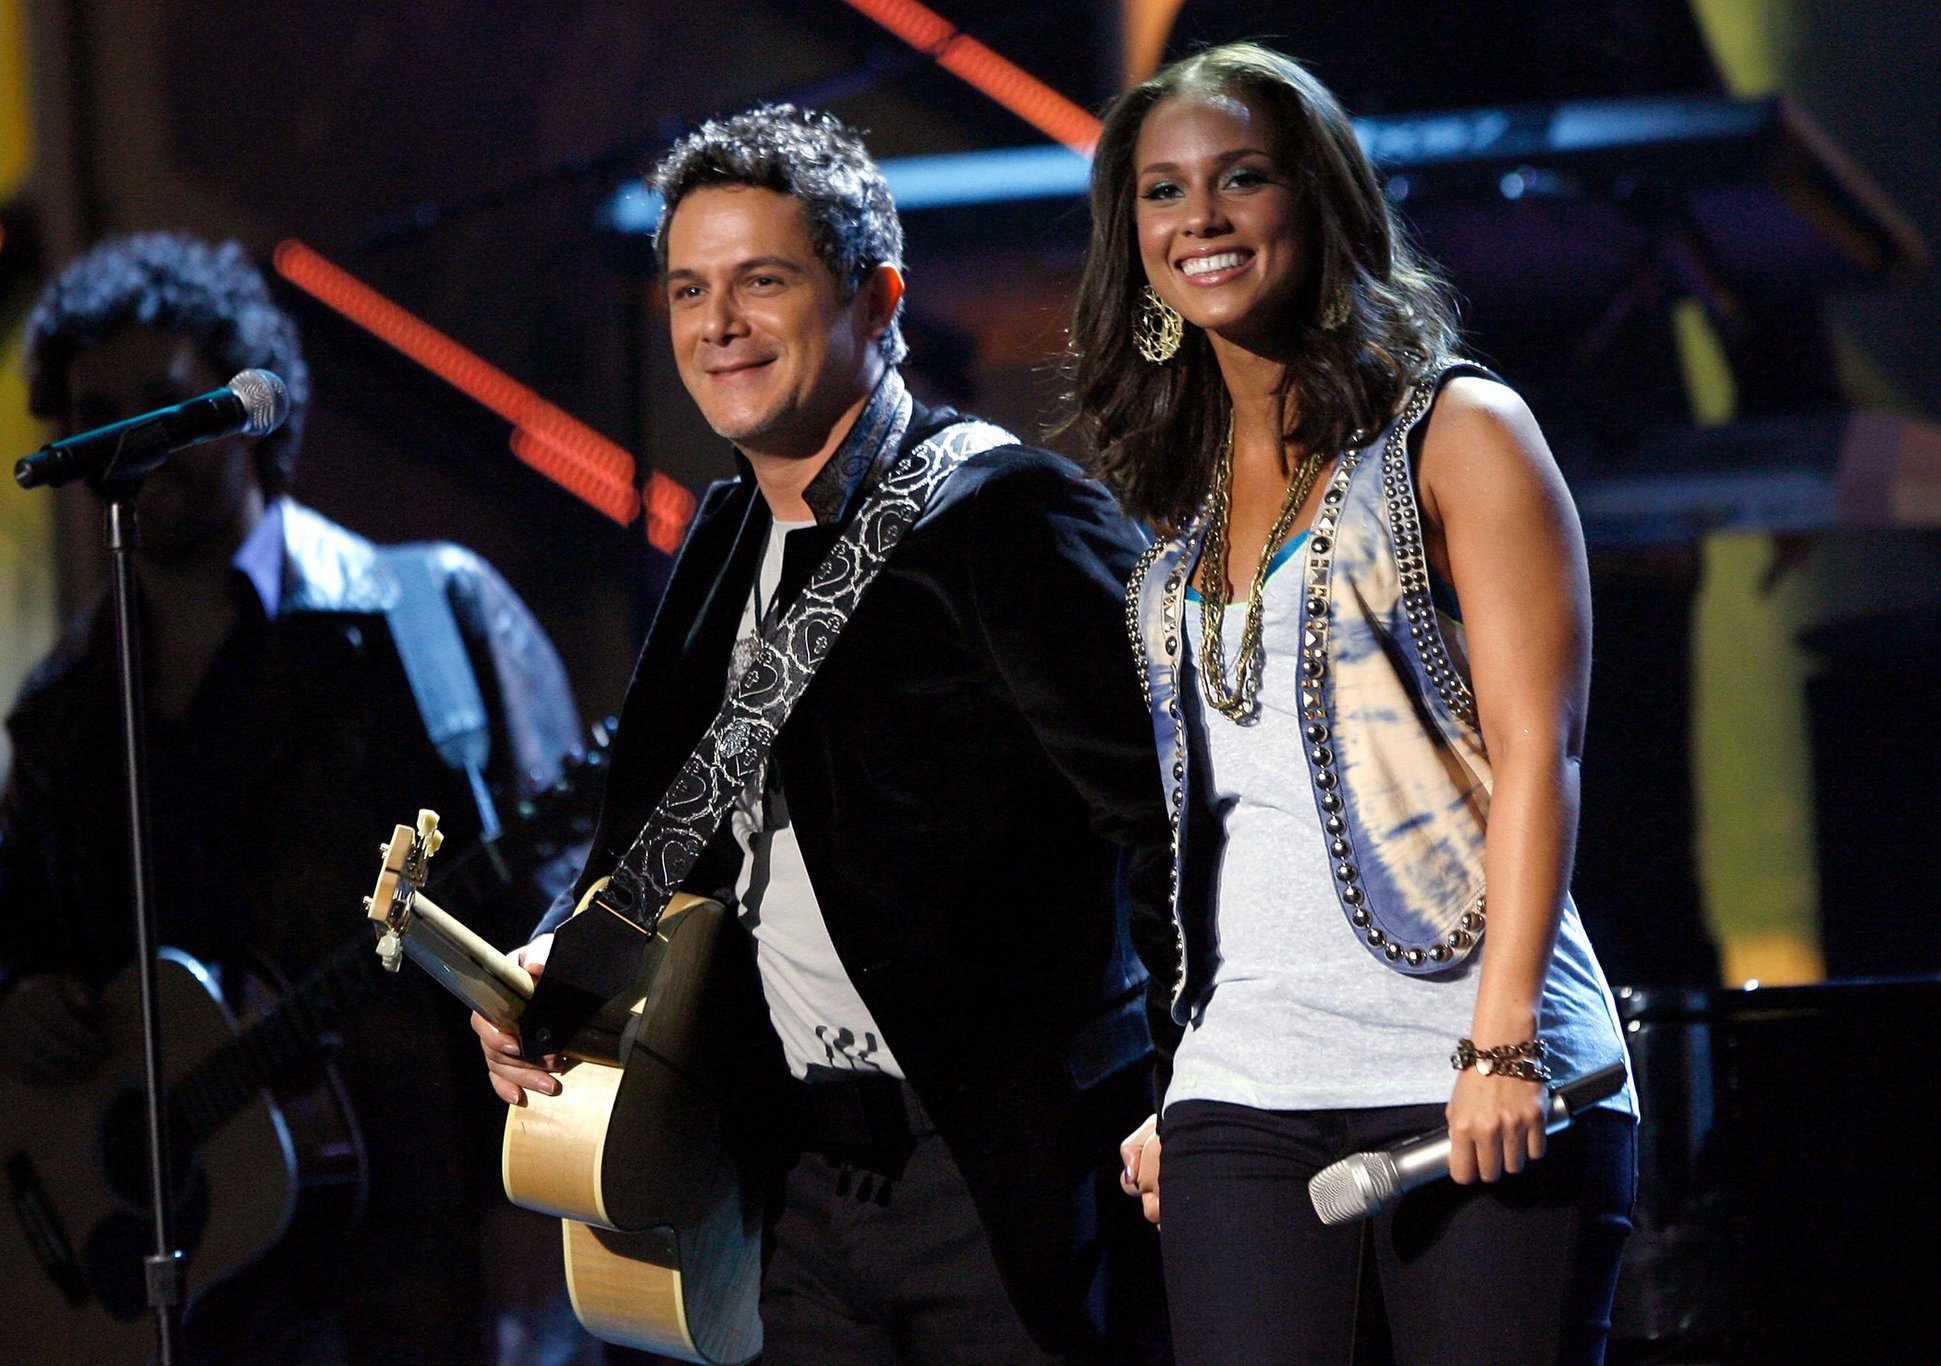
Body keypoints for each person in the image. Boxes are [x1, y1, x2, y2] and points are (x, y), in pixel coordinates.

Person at [475, 105, 1173, 1363]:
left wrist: (1190, 1086)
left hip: (1006, 1185)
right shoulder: (725, 532)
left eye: (764, 281)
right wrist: (552, 975)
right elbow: (662, 837)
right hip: (799, 1187)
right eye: (690, 288)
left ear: (877, 298)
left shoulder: (1009, 519)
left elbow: (1175, 814)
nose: (717, 324)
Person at [1065, 43, 1639, 1365]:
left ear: (1318, 205)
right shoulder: (1180, 517)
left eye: (1241, 178)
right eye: (1161, 192)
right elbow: (1229, 829)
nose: (1197, 217)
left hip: (1473, 1074)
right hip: (1243, 1098)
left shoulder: (1461, 431)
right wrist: (1192, 1077)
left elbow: (1537, 748)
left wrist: (1501, 1040)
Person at [0, 231, 583, 1361]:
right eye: (96, 411)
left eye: (167, 406)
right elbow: (22, 929)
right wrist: (21, 991)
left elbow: (560, 931)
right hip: (177, 1276)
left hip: (420, 1252)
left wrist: (533, 1205)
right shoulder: (64, 709)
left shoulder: (427, 616)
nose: (130, 444)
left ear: (250, 411)